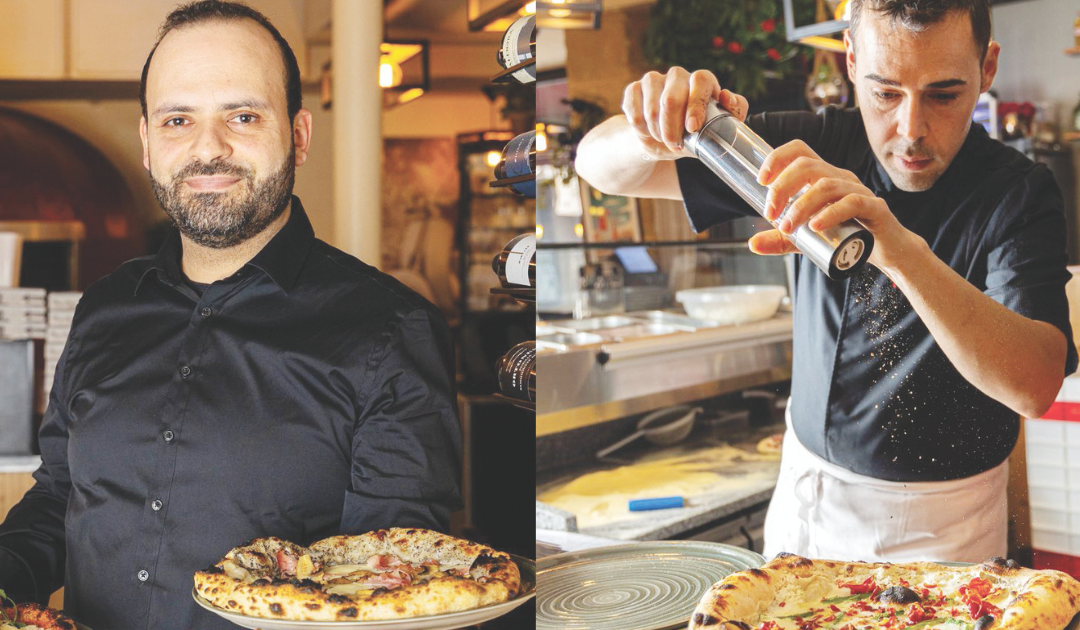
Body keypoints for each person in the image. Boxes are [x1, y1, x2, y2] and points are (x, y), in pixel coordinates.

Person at [0, 2, 462, 628]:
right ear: (146, 142)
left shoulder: (393, 330)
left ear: (297, 135)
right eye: (177, 119)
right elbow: (59, 494)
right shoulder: (106, 305)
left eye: (243, 116)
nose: (207, 149)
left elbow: (393, 584)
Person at [576, 0, 1077, 563]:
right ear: (850, 59)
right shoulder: (812, 146)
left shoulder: (1019, 193)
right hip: (805, 500)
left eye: (944, 94)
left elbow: (1034, 386)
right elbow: (597, 166)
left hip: (945, 529)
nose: (911, 130)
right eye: (885, 92)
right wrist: (650, 132)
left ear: (987, 69)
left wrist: (902, 253)